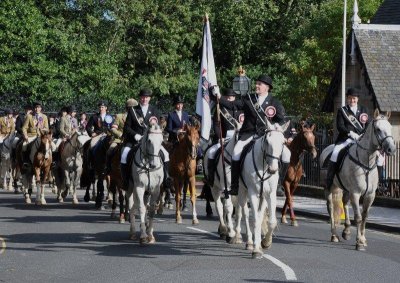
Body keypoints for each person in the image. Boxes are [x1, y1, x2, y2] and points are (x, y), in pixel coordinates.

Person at [213, 75, 290, 195]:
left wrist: (281, 131)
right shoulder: (248, 98)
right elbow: (232, 105)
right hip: (248, 134)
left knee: (287, 154)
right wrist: (218, 96)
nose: (256, 86)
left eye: (260, 84)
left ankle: (279, 184)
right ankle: (235, 185)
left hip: (267, 136)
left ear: (267, 87)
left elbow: (282, 120)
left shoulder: (275, 102)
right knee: (236, 152)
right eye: (257, 83)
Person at [121, 88, 171, 189]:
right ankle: (126, 181)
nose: (144, 99)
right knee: (124, 154)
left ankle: (166, 179)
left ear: (149, 98)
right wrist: (135, 135)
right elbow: (127, 127)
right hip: (135, 140)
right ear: (140, 98)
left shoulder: (154, 111)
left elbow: (159, 126)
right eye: (143, 97)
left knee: (166, 154)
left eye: (146, 97)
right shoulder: (133, 110)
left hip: (151, 141)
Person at [326, 87, 369, 189]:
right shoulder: (342, 111)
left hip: (361, 139)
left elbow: (368, 124)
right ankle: (330, 179)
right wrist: (350, 133)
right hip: (346, 138)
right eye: (350, 98)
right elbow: (340, 126)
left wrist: (362, 134)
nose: (352, 101)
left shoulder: (364, 110)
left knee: (377, 156)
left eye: (354, 98)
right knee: (335, 152)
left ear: (357, 99)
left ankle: (378, 182)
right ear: (347, 99)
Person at [206, 88, 242, 186]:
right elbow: (217, 125)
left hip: (239, 136)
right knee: (211, 152)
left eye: (232, 98)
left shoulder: (241, 109)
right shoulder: (220, 109)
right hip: (225, 137)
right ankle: (211, 178)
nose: (230, 100)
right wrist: (219, 137)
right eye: (228, 98)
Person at [105, 98, 138, 176]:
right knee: (110, 151)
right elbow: (113, 128)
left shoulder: (138, 117)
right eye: (132, 108)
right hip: (119, 140)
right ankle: (108, 168)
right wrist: (120, 134)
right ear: (128, 108)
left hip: (134, 140)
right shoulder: (119, 116)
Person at [21, 102, 49, 166]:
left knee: (53, 146)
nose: (37, 109)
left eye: (38, 107)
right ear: (34, 108)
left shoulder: (44, 117)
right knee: (24, 145)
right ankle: (26, 161)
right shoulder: (29, 116)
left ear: (41, 108)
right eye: (36, 107)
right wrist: (25, 135)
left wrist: (41, 129)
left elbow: (47, 128)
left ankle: (52, 162)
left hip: (41, 136)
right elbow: (24, 128)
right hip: (32, 136)